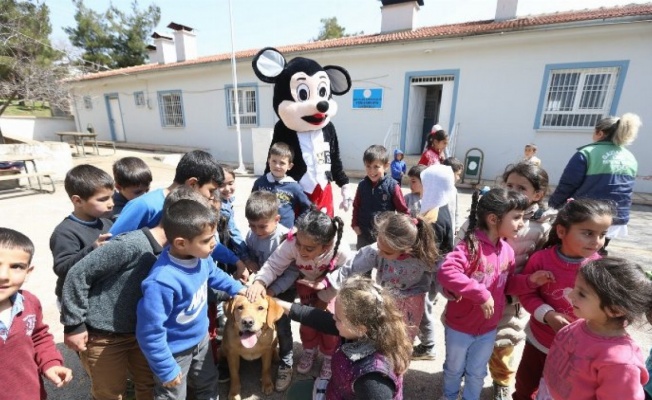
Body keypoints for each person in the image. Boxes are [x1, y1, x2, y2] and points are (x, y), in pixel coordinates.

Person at [60, 187, 211, 400]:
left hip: (139, 334)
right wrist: (74, 323)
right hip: (105, 336)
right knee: (110, 392)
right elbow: (78, 273)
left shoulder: (180, 255)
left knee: (148, 385)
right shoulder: (131, 244)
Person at [438, 188, 554, 400]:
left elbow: (506, 284)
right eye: (517, 217)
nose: (522, 223)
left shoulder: (507, 251)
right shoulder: (469, 247)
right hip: (460, 327)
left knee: (477, 372)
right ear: (493, 219)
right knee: (454, 369)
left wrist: (530, 281)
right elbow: (446, 272)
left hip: (489, 328)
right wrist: (480, 293)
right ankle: (449, 395)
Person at [136, 199, 246, 399]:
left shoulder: (201, 258)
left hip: (201, 340)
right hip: (174, 352)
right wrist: (165, 367)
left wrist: (238, 289)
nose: (214, 243)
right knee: (173, 394)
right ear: (180, 243)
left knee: (207, 383)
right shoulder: (162, 282)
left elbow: (215, 274)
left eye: (213, 237)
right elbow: (150, 333)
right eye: (206, 240)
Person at [513, 198, 615, 400]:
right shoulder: (541, 259)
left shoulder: (599, 269)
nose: (597, 241)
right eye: (588, 233)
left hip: (576, 350)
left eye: (602, 235)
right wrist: (547, 314)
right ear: (561, 232)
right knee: (526, 385)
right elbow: (526, 293)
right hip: (539, 341)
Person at [246, 210, 352, 381]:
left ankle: (329, 357)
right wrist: (260, 282)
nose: (301, 252)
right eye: (299, 245)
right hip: (306, 286)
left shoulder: (342, 251)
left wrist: (324, 297)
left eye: (309, 248)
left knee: (332, 325)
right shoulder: (292, 242)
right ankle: (309, 350)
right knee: (307, 322)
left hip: (334, 289)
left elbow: (344, 278)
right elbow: (274, 265)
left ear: (326, 246)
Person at [276, 276, 412, 400]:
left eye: (338, 318)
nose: (333, 318)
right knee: (296, 391)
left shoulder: (373, 381)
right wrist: (275, 302)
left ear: (360, 327)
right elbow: (313, 317)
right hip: (338, 389)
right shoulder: (361, 329)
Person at [537, 257, 651, 400]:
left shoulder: (620, 364)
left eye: (582, 294)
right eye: (575, 288)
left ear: (615, 310)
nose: (571, 295)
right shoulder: (576, 326)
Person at [316, 212, 439, 342]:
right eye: (378, 245)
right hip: (386, 298)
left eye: (387, 252)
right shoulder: (377, 251)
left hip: (412, 302)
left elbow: (442, 276)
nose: (379, 252)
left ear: (406, 249)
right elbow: (352, 267)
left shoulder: (423, 258)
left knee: (403, 338)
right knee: (382, 334)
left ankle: (400, 360)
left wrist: (447, 290)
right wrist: (328, 282)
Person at [488, 161, 554, 400]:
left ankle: (501, 380)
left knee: (504, 342)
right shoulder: (489, 216)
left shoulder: (540, 227)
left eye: (521, 187)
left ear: (537, 195)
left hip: (513, 297)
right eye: (509, 185)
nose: (513, 191)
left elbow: (543, 259)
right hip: (484, 291)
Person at [548, 113, 642, 255]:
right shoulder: (629, 157)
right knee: (596, 252)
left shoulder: (587, 153)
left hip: (587, 215)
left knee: (562, 249)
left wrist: (553, 205)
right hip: (614, 219)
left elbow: (568, 184)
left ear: (600, 133)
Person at [0, 227, 73, 400]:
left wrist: (50, 363)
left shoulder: (29, 302)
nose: (4, 276)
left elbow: (38, 336)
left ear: (28, 272)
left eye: (16, 267)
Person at [243, 191, 299, 391]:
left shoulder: (286, 237)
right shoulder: (252, 235)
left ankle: (286, 361)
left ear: (276, 219)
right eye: (251, 225)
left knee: (282, 328)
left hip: (281, 291)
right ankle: (258, 350)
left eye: (262, 226)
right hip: (261, 287)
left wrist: (273, 290)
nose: (256, 231)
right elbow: (251, 255)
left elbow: (293, 271)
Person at [109, 150, 222, 235]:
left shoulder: (189, 207)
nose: (211, 197)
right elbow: (111, 245)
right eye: (211, 191)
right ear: (192, 183)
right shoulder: (144, 205)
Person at [49, 164, 114, 303]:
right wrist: (92, 249)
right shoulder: (65, 232)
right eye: (103, 199)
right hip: (76, 299)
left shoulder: (107, 223)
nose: (111, 204)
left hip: (99, 294)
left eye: (111, 197)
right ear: (78, 201)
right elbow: (62, 268)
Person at [412, 163, 456, 361]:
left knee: (423, 305)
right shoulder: (442, 205)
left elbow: (429, 252)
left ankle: (428, 345)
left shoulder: (433, 217)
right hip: (434, 267)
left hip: (428, 269)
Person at [352, 145, 408, 250]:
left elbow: (403, 211)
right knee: (362, 264)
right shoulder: (362, 185)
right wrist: (355, 225)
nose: (371, 171)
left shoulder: (393, 186)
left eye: (376, 167)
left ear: (386, 166)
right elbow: (356, 206)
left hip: (384, 236)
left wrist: (401, 232)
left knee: (384, 265)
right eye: (368, 166)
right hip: (363, 234)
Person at [251, 142, 312, 229]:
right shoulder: (260, 183)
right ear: (269, 161)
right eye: (274, 161)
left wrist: (296, 226)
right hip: (262, 231)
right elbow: (252, 204)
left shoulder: (294, 187)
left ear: (290, 166)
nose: (277, 165)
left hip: (285, 233)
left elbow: (306, 207)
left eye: (282, 163)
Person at [110, 156, 152, 221]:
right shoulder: (119, 213)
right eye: (137, 192)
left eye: (147, 190)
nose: (144, 195)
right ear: (118, 187)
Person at [442, 157, 463, 233]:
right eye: (457, 174)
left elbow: (456, 210)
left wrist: (456, 226)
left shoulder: (454, 190)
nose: (458, 178)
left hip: (451, 228)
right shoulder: (438, 189)